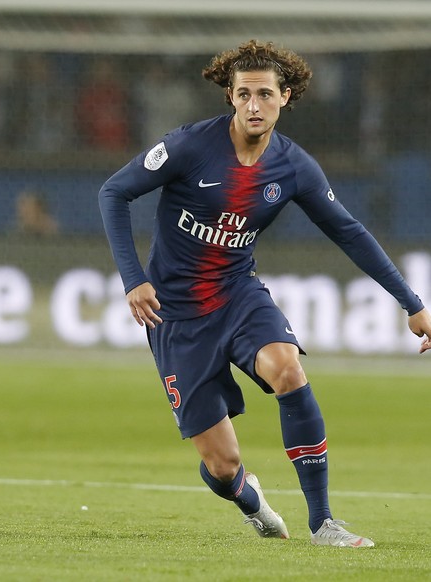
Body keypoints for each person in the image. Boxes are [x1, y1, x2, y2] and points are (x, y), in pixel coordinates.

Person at [98, 39, 431, 548]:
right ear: (230, 98)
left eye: (265, 95)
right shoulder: (189, 146)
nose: (254, 105)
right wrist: (133, 278)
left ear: (285, 97)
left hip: (238, 295)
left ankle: (323, 524)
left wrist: (413, 303)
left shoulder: (293, 167)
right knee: (222, 465)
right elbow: (113, 192)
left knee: (288, 368)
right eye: (244, 94)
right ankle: (249, 499)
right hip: (175, 316)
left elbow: (349, 231)